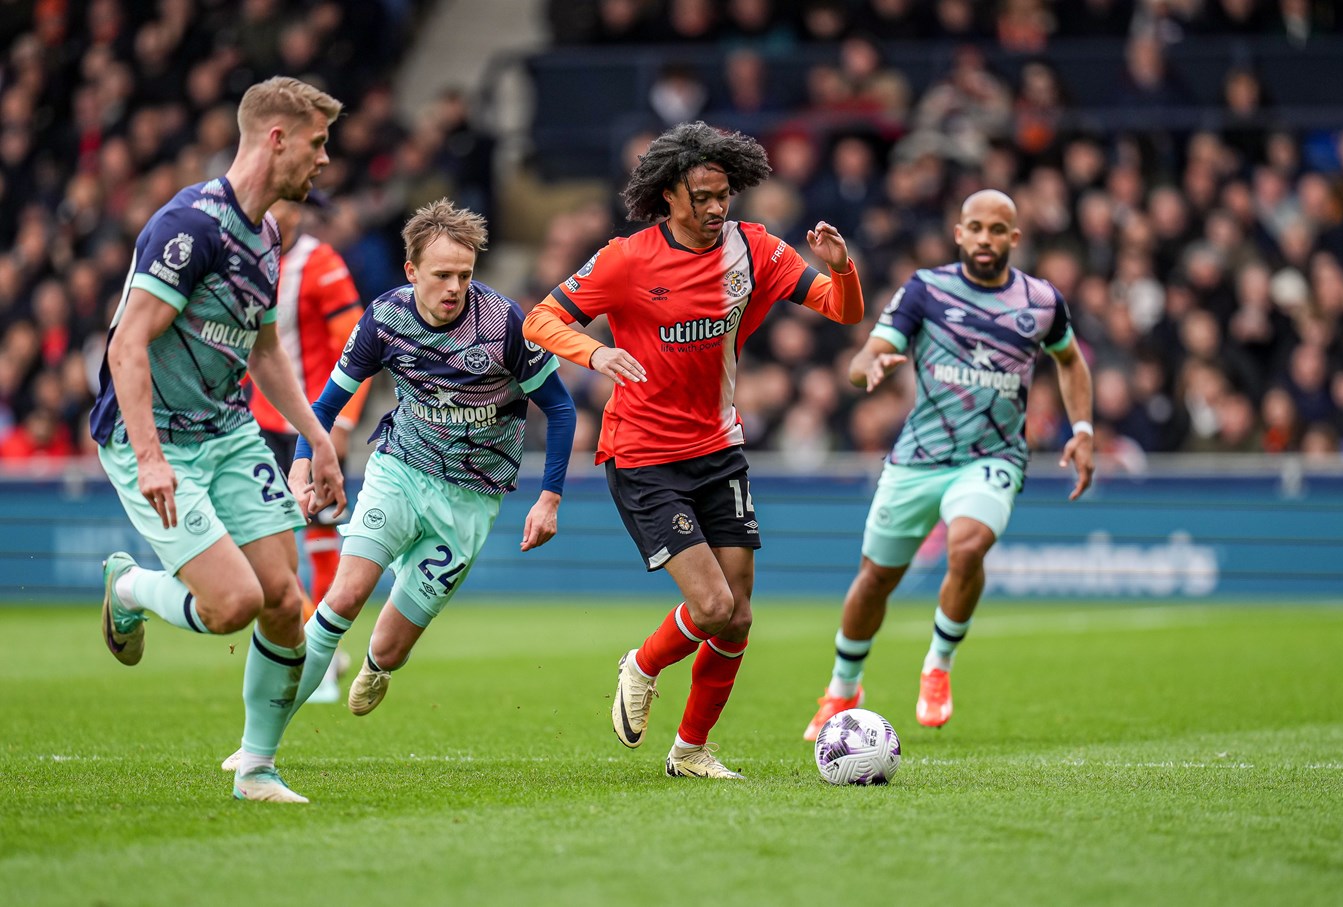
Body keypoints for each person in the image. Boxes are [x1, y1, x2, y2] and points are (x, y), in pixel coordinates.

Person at [523, 121, 864, 779]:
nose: (714, 208)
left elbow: (842, 311)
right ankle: (642, 664)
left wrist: (841, 268)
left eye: (722, 195)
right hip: (644, 453)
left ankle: (690, 750)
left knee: (737, 619)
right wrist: (594, 352)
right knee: (711, 606)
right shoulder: (626, 259)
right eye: (701, 197)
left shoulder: (754, 250)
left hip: (718, 447)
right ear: (668, 194)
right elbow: (541, 318)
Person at [225, 197, 575, 754]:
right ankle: (257, 746)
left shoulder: (505, 322)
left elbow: (559, 407)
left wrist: (549, 497)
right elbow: (325, 404)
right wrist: (301, 463)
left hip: (471, 498)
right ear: (412, 271)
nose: (455, 287)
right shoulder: (384, 319)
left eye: (464, 274)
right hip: (400, 470)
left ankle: (376, 664)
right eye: (442, 275)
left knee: (390, 648)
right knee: (344, 597)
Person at [89, 77, 348, 803]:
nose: (325, 159)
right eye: (317, 143)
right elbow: (126, 344)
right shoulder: (190, 227)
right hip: (156, 438)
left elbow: (264, 351)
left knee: (284, 600)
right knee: (233, 603)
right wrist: (149, 458)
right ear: (276, 138)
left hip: (229, 432)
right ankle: (129, 587)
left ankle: (256, 771)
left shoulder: (267, 235)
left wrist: (316, 436)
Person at [802, 189, 1095, 740]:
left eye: (997, 229)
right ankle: (843, 687)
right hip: (919, 456)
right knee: (874, 580)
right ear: (959, 233)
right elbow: (865, 357)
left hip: (993, 455)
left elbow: (1071, 361)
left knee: (967, 545)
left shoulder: (1041, 301)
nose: (985, 238)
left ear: (1014, 238)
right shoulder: (926, 289)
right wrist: (869, 369)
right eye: (975, 227)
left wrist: (1083, 431)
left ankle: (937, 664)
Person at [248, 195, 370, 704]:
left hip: (313, 424)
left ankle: (320, 655)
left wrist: (343, 421)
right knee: (255, 542)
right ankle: (309, 637)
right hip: (257, 423)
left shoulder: (321, 264)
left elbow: (356, 345)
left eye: (284, 202)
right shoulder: (245, 257)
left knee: (320, 534)